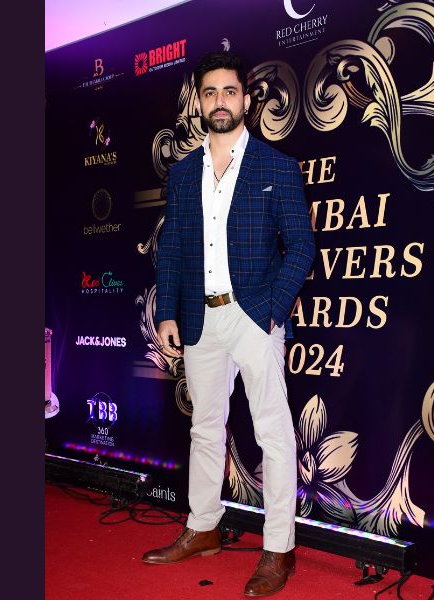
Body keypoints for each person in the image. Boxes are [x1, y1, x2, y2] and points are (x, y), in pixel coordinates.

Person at [142, 51, 315, 597]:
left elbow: (301, 247)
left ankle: (279, 548)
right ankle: (203, 528)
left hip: (254, 315)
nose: (220, 101)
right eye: (210, 92)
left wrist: (272, 310)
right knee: (204, 428)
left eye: (229, 91)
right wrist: (167, 311)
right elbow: (172, 250)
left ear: (246, 99)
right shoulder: (182, 173)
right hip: (199, 318)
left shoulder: (276, 167)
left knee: (273, 432)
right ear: (200, 100)